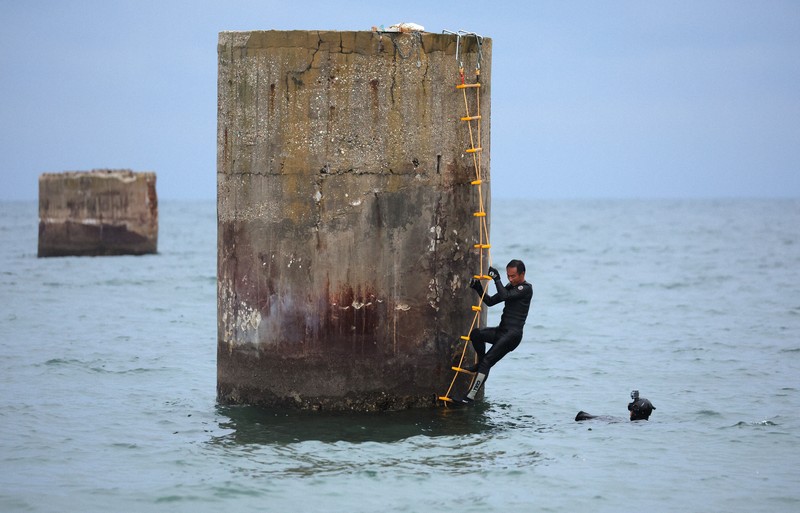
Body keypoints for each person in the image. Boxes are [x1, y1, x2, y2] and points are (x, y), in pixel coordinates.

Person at [454, 259, 533, 404]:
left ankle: (469, 398)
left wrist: (496, 278)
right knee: (476, 334)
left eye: (513, 276)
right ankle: (481, 362)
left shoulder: (526, 289)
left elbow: (505, 296)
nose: (510, 279)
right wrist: (478, 288)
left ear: (522, 274)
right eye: (508, 276)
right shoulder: (510, 286)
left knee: (487, 363)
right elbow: (490, 302)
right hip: (502, 331)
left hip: (512, 336)